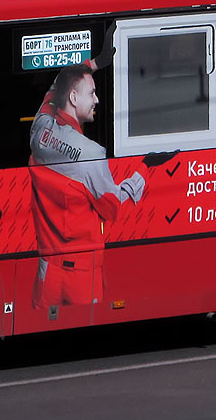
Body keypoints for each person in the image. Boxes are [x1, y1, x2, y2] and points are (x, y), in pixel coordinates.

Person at [29, 59, 146, 310]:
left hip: (46, 271)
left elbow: (54, 89)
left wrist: (93, 64)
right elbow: (113, 207)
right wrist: (145, 170)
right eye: (92, 93)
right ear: (73, 97)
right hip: (81, 277)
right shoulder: (90, 152)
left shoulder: (39, 131)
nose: (97, 100)